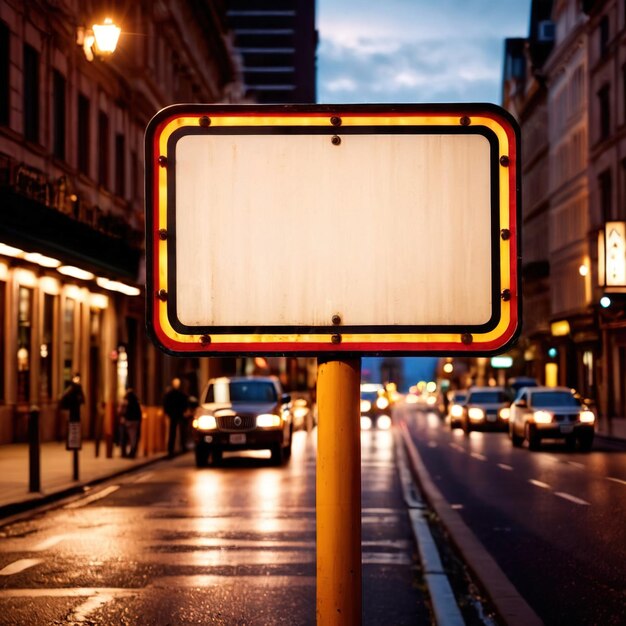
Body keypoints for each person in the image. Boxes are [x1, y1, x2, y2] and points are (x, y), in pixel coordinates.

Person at [163, 377, 189, 456]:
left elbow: (166, 403)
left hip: (176, 414)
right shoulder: (177, 394)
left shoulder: (175, 394)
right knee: (176, 431)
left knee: (177, 431)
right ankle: (176, 448)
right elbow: (166, 404)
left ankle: (173, 448)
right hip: (176, 414)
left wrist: (168, 412)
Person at [120, 388, 142, 458]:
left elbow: (125, 413)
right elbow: (139, 414)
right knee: (133, 438)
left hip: (129, 422)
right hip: (135, 422)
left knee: (129, 438)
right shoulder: (136, 403)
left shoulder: (128, 403)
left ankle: (130, 452)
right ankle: (132, 452)